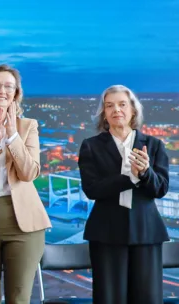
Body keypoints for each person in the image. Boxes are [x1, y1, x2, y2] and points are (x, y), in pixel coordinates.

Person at [79, 85, 169, 304]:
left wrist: (146, 173)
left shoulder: (154, 145)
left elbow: (161, 189)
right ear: (103, 113)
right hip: (106, 232)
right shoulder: (91, 146)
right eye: (109, 106)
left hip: (146, 231)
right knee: (109, 299)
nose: (116, 110)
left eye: (122, 104)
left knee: (148, 298)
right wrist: (129, 177)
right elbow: (92, 189)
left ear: (133, 110)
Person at [0, 64, 49, 304]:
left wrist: (12, 135)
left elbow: (29, 173)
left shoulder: (28, 126)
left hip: (23, 223)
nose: (2, 91)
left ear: (16, 93)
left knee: (18, 297)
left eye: (8, 86)